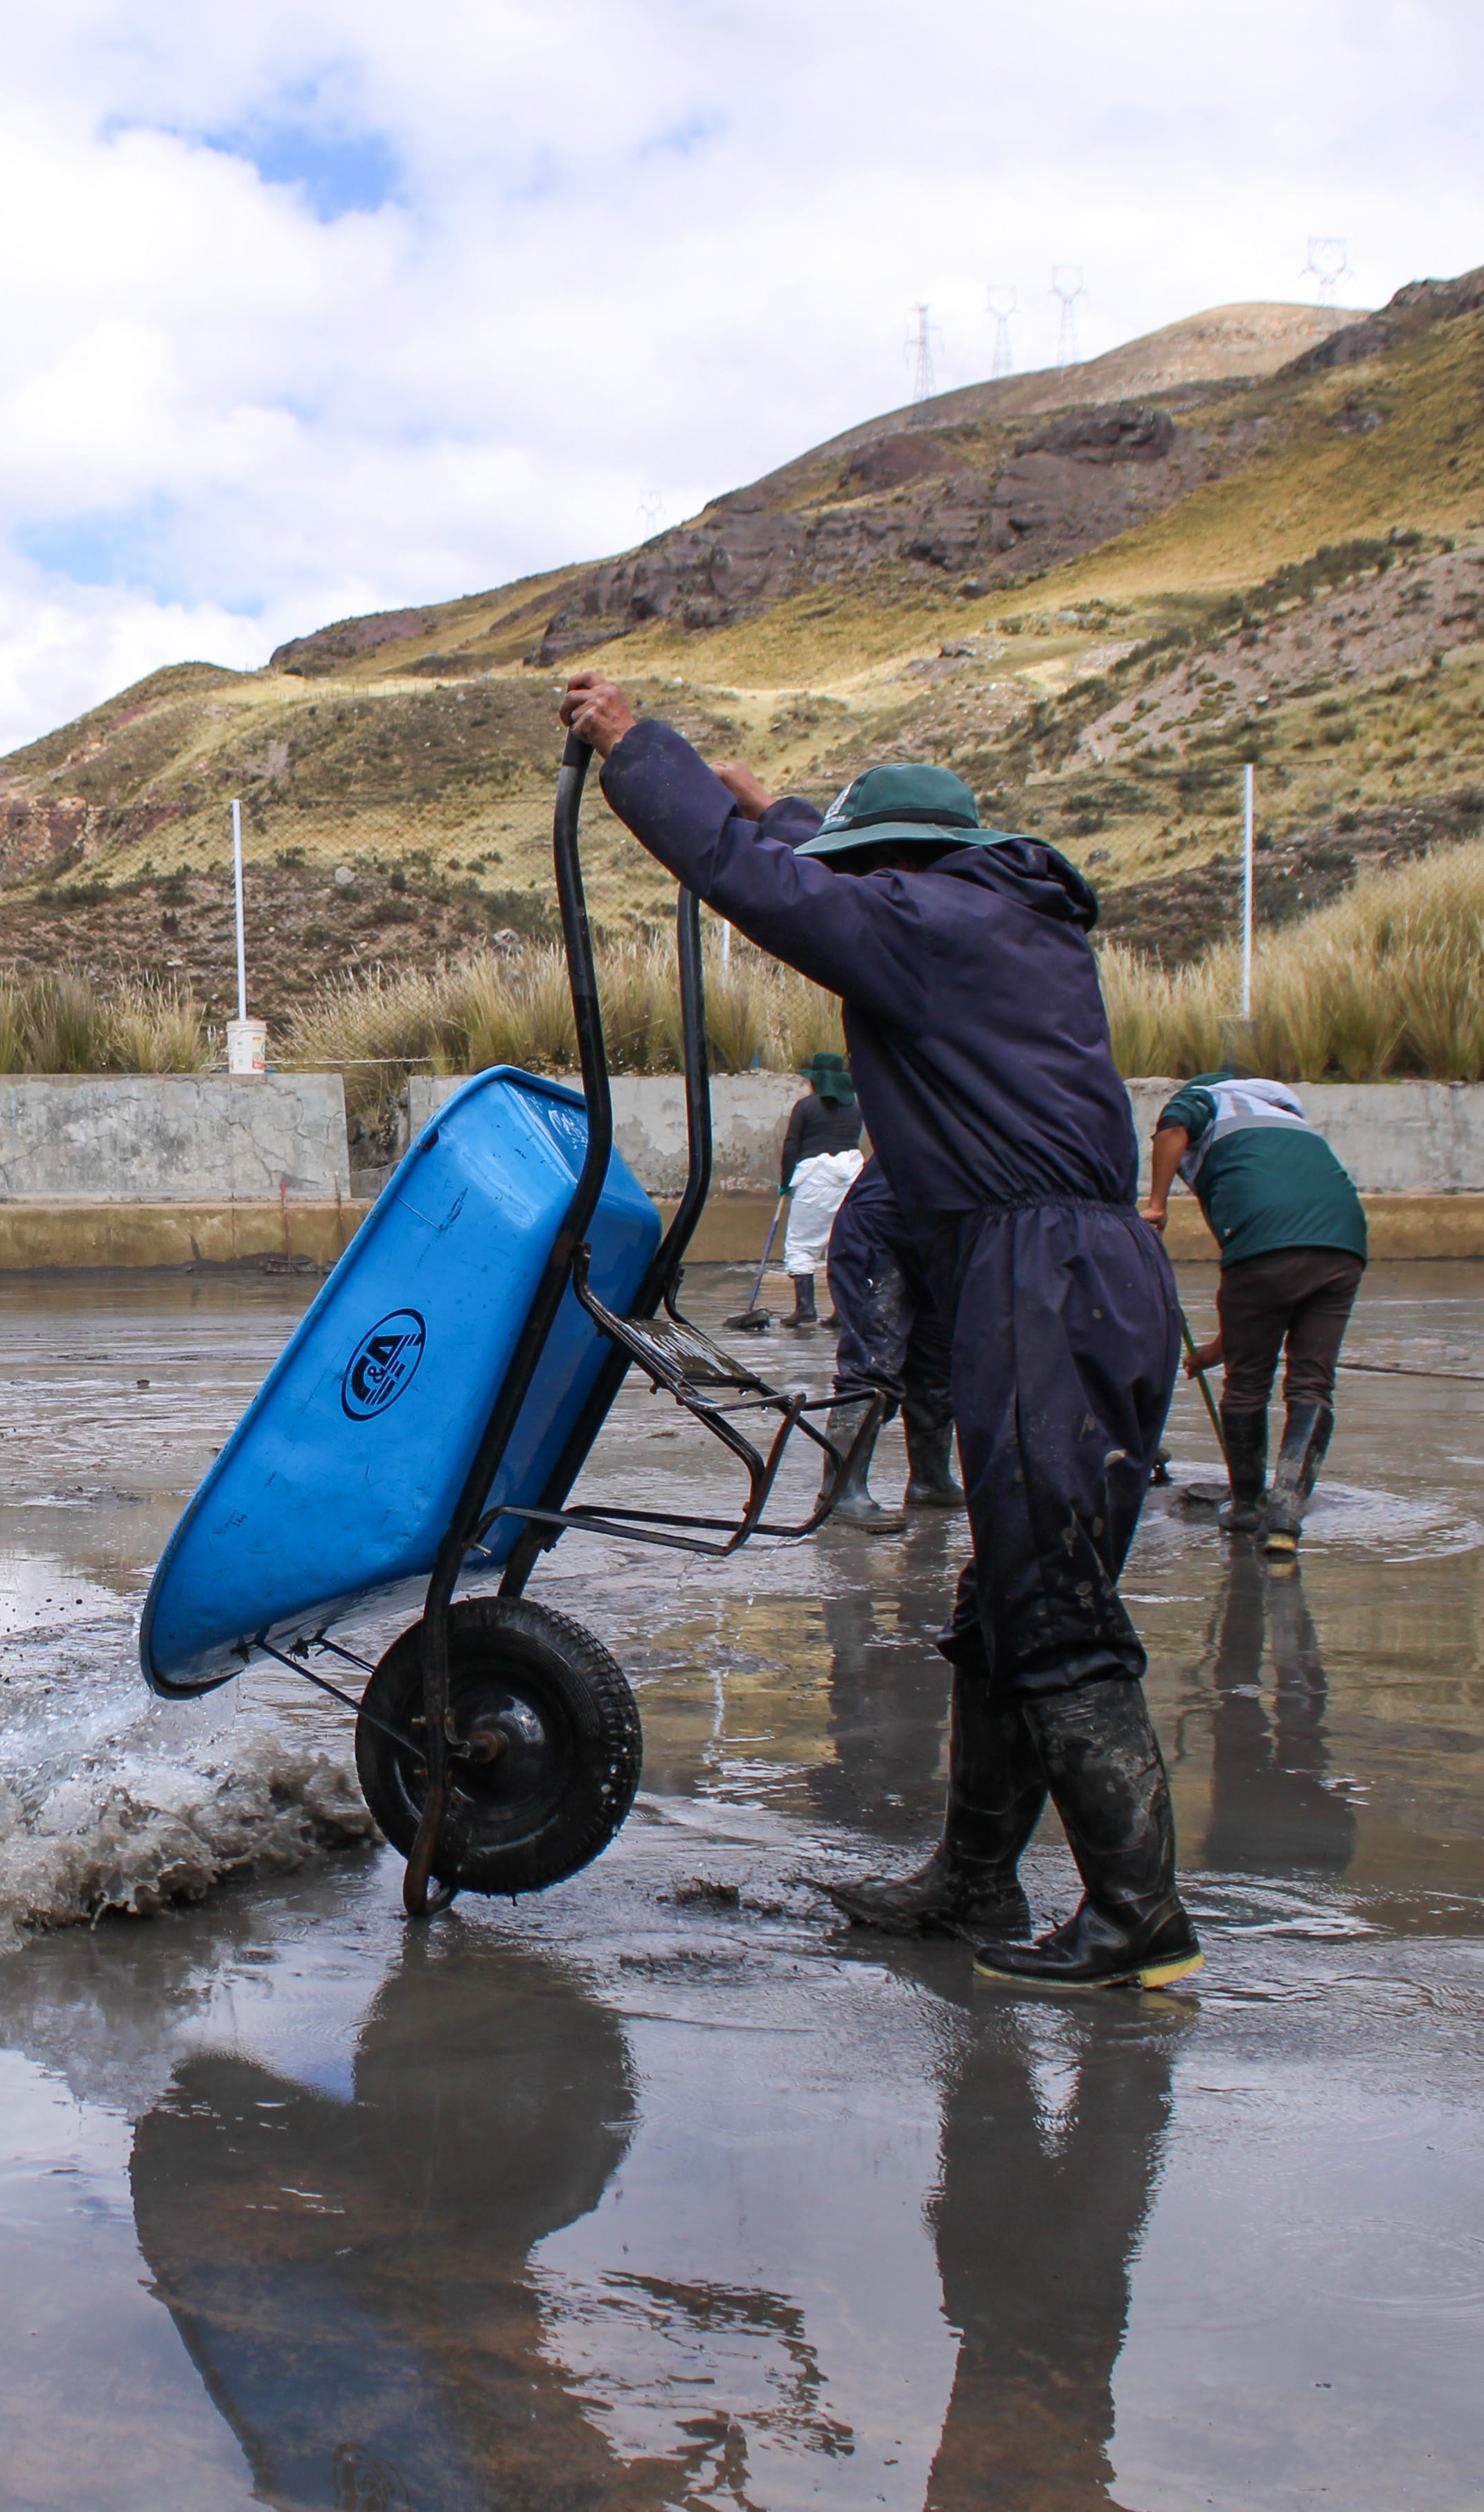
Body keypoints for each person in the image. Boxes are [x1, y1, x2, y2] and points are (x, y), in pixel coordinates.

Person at [564, 670, 1191, 1993]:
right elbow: (828, 877)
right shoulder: (991, 916)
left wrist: (642, 758)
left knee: (1052, 1602)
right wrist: (773, 804)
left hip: (1047, 1275)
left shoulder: (937, 925)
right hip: (1066, 1271)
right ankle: (972, 1880)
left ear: (903, 867)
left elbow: (784, 895)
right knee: (998, 1602)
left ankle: (1140, 1918)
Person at [1147, 1072, 1368, 1558]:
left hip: (1265, 1245)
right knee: (1312, 1381)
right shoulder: (1286, 1118)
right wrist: (1213, 1350)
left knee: (1248, 1382)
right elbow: (1265, 1297)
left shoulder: (1205, 1099)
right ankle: (1286, 1513)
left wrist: (1157, 1206)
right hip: (1343, 1241)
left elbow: (1171, 1130)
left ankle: (1247, 1508)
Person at [814, 1161, 961, 1531]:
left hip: (943, 1239)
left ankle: (931, 1480)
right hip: (882, 1230)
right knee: (873, 1359)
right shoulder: (941, 1105)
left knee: (937, 1366)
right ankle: (840, 1491)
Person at [774, 1050, 865, 1330]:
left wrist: (786, 1182)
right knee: (841, 1243)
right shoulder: (856, 1107)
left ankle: (805, 1308)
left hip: (814, 1179)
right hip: (850, 1178)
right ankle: (842, 1309)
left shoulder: (805, 1106)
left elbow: (792, 1145)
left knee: (802, 1243)